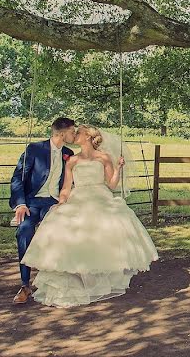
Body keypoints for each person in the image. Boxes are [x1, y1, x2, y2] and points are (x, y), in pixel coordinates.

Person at [20, 125, 158, 307]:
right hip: (79, 196)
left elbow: (112, 184)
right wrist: (61, 203)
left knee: (102, 226)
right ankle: (76, 275)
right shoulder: (72, 160)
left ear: (88, 137)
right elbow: (67, 187)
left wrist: (117, 168)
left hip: (100, 195)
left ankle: (98, 276)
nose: (75, 134)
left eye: (79, 132)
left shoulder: (103, 157)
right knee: (69, 226)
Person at [8, 117, 77, 305]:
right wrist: (20, 204)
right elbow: (17, 178)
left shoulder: (69, 154)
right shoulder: (35, 149)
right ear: (62, 133)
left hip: (53, 202)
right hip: (30, 202)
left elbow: (73, 182)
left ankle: (52, 282)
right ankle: (25, 285)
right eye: (72, 131)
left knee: (56, 233)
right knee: (24, 231)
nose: (74, 134)